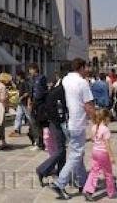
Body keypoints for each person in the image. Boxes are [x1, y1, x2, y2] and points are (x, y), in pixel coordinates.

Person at [50, 58, 95, 200]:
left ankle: (82, 182)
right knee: (76, 153)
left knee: (78, 152)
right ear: (81, 68)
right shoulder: (82, 83)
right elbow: (88, 106)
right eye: (86, 67)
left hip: (67, 122)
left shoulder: (66, 80)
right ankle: (60, 183)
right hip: (77, 122)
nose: (88, 70)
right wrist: (97, 122)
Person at [36, 79, 67, 186]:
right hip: (56, 123)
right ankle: (42, 169)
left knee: (62, 149)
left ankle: (61, 173)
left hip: (54, 123)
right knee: (61, 149)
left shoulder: (55, 91)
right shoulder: (59, 92)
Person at [83, 109, 117, 201]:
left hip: (95, 152)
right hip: (103, 153)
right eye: (109, 118)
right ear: (106, 118)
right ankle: (111, 192)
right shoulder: (106, 129)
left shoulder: (94, 127)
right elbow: (107, 145)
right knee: (108, 173)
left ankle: (88, 190)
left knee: (94, 171)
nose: (110, 120)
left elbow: (92, 139)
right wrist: (111, 156)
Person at [28, 63, 48, 150]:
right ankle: (38, 142)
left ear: (35, 69)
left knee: (39, 124)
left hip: (40, 104)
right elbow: (32, 92)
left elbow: (43, 91)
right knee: (34, 124)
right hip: (34, 104)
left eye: (30, 69)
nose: (29, 71)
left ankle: (41, 143)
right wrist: (30, 102)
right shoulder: (32, 79)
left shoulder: (42, 78)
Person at [9, 70, 31, 137]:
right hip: (20, 103)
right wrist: (11, 82)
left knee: (29, 116)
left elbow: (27, 92)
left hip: (24, 102)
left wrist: (21, 97)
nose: (17, 77)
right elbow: (16, 87)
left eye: (17, 76)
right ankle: (17, 130)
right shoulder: (20, 83)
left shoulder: (25, 83)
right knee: (18, 116)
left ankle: (33, 129)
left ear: (20, 76)